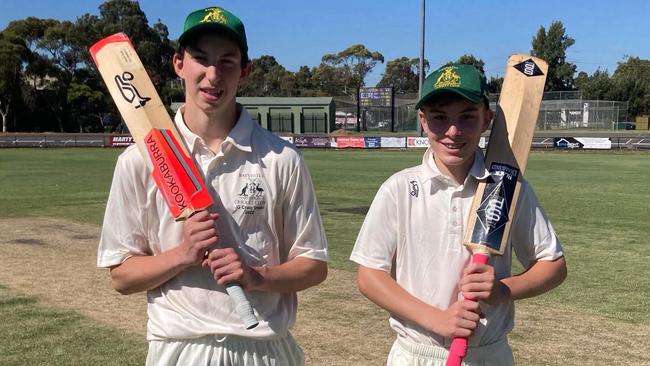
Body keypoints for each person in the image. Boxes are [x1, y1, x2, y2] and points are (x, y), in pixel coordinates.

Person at [97, 6, 328, 365]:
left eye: (227, 62)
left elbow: (313, 265)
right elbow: (122, 276)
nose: (212, 75)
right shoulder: (139, 160)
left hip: (266, 348)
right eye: (200, 59)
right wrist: (182, 255)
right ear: (178, 64)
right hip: (180, 347)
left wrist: (256, 276)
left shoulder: (282, 158)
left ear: (245, 71)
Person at [349, 63, 566, 366]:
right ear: (423, 121)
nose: (453, 131)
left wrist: (503, 290)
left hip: (489, 355)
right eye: (440, 118)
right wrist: (437, 319)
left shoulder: (505, 188)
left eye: (466, 117)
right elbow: (369, 276)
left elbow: (553, 266)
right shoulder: (399, 188)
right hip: (417, 354)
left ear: (486, 119)